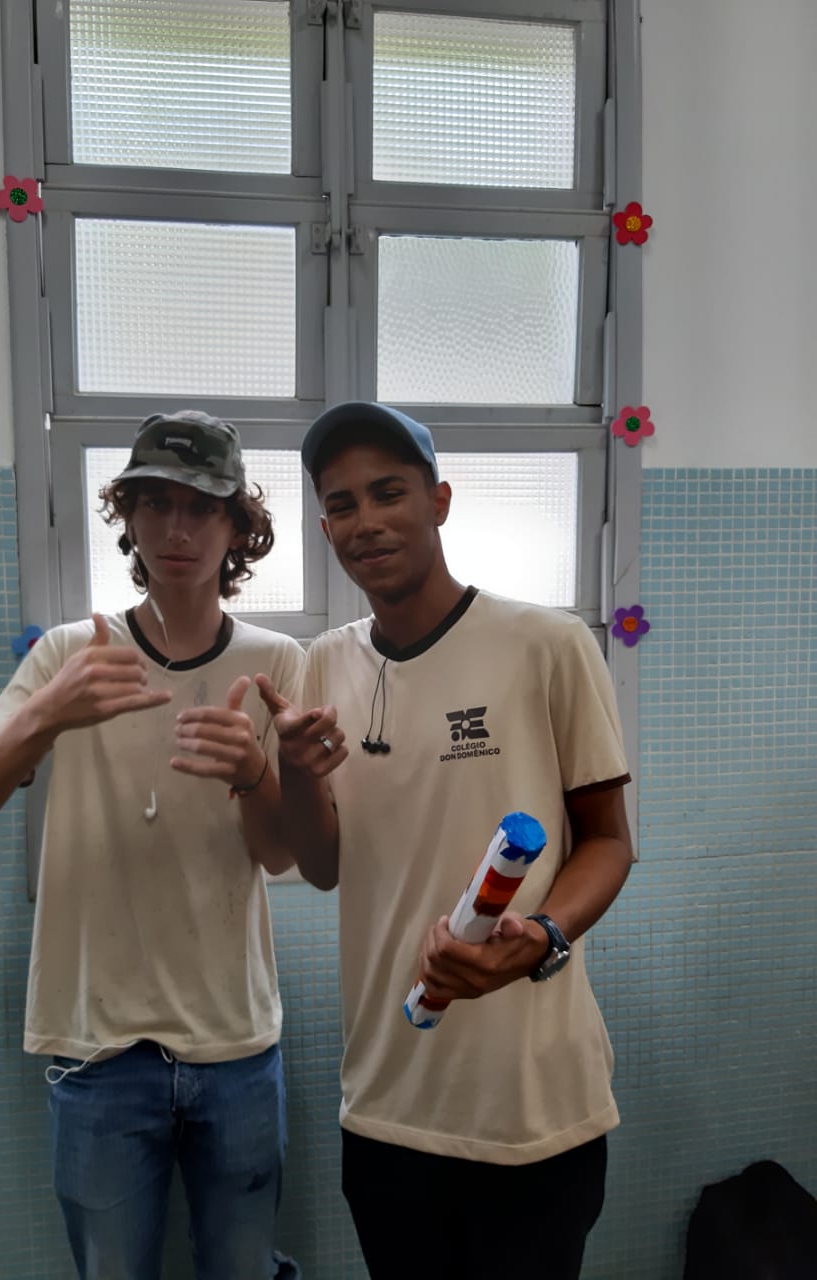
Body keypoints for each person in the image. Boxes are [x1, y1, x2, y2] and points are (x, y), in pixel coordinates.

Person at [256, 402, 633, 1279]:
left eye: (388, 492)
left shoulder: (546, 644)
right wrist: (296, 773)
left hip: (532, 1107)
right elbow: (323, 868)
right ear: (324, 528)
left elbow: (608, 842)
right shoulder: (321, 667)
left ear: (439, 501)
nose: (365, 521)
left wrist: (543, 936)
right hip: (387, 1098)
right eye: (342, 504)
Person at [0, 411, 303, 1280]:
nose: (177, 529)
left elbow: (285, 857)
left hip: (235, 1041)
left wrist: (253, 773)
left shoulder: (277, 662)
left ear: (237, 528)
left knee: (243, 1268)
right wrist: (46, 715)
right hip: (97, 1047)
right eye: (154, 503)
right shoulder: (72, 653)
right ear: (125, 517)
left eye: (202, 508)